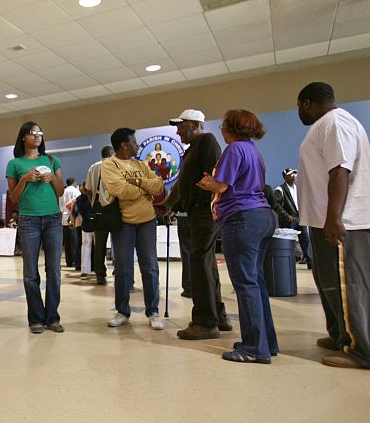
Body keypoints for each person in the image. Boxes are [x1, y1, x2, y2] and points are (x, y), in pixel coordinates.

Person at [296, 82, 370, 370]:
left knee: (348, 283)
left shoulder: (335, 123)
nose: (299, 112)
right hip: (325, 219)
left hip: (343, 220)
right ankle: (341, 335)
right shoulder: (328, 124)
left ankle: (360, 349)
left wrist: (334, 217)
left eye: (299, 106)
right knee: (329, 281)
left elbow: (340, 170)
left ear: (307, 103)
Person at [197, 109, 277, 363]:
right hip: (263, 215)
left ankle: (253, 348)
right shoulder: (253, 150)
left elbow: (222, 186)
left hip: (241, 218)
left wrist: (208, 182)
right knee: (256, 282)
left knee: (245, 284)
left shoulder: (233, 149)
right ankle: (266, 343)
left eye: (223, 125)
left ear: (231, 128)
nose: (221, 129)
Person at [162, 109, 231, 339]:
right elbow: (186, 184)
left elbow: (211, 179)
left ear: (194, 125)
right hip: (196, 212)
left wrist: (200, 202)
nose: (178, 132)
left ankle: (205, 322)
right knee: (206, 264)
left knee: (200, 265)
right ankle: (218, 316)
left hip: (203, 213)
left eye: (181, 127)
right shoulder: (193, 148)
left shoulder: (207, 141)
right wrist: (172, 205)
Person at [102, 128, 165, 330]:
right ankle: (122, 311)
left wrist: (138, 181)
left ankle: (153, 312)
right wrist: (146, 189)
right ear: (124, 145)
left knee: (150, 267)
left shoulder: (141, 164)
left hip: (147, 221)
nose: (137, 145)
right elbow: (121, 190)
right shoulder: (110, 164)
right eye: (134, 142)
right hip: (123, 223)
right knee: (123, 269)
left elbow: (159, 186)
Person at [6, 121, 65, 334]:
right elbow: (14, 197)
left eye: (40, 132)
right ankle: (36, 318)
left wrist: (52, 179)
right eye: (32, 133)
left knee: (54, 271)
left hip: (53, 219)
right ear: (24, 136)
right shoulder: (15, 164)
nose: (37, 136)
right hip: (28, 220)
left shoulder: (51, 160)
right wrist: (24, 179)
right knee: (30, 273)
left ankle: (53, 317)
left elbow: (60, 191)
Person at [85, 145, 115, 285]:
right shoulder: (115, 165)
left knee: (100, 245)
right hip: (114, 209)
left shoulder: (94, 167)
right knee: (118, 242)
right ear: (111, 153)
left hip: (99, 210)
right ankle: (118, 270)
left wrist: (92, 203)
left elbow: (88, 189)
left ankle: (100, 275)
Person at [274, 168, 312, 268]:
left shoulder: (298, 188)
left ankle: (310, 262)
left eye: (294, 173)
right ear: (285, 177)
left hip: (300, 218)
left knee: (305, 240)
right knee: (289, 242)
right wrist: (285, 215)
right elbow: (276, 205)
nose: (294, 176)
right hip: (288, 220)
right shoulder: (279, 189)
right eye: (290, 174)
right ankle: (288, 264)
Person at [72, 183, 93, 280]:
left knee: (85, 247)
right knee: (100, 247)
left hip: (85, 224)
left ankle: (84, 271)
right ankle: (101, 270)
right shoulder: (96, 197)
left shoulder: (80, 199)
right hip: (98, 224)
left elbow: (76, 211)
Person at [60, 178, 81, 269]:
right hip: (73, 218)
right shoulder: (76, 191)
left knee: (67, 242)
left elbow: (60, 206)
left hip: (64, 218)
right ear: (74, 182)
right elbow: (77, 204)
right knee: (75, 241)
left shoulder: (63, 192)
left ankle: (68, 261)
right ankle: (76, 261)